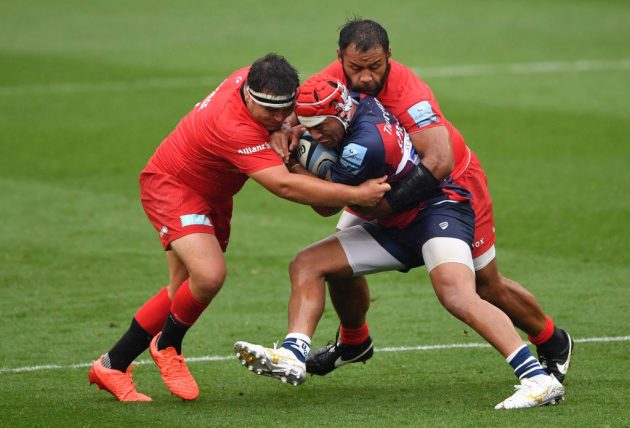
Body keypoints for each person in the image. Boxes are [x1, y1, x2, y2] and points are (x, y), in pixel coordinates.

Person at [271, 19, 573, 385]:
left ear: (389, 57)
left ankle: (552, 340)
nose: (365, 78)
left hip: (447, 186)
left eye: (375, 67)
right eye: (356, 68)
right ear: (341, 58)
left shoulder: (410, 94)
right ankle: (354, 342)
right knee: (335, 262)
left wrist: (384, 208)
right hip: (377, 175)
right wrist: (285, 129)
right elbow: (307, 107)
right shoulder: (337, 75)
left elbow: (439, 160)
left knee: (484, 284)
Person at [234, 75, 564, 409]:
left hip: (436, 211)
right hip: (392, 218)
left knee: (459, 293)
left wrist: (289, 160)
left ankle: (537, 378)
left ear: (339, 113)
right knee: (308, 264)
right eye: (309, 126)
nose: (315, 134)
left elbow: (326, 203)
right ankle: (295, 353)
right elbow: (320, 137)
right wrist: (295, 130)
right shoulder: (354, 103)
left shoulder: (364, 147)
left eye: (319, 127)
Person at [87, 54, 390, 402]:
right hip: (174, 188)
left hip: (211, 194)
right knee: (209, 274)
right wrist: (356, 193)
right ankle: (168, 344)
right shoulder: (232, 125)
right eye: (270, 113)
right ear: (248, 96)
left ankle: (112, 365)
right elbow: (284, 185)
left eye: (285, 110)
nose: (279, 118)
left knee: (180, 291)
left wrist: (280, 127)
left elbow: (287, 114)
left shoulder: (256, 77)